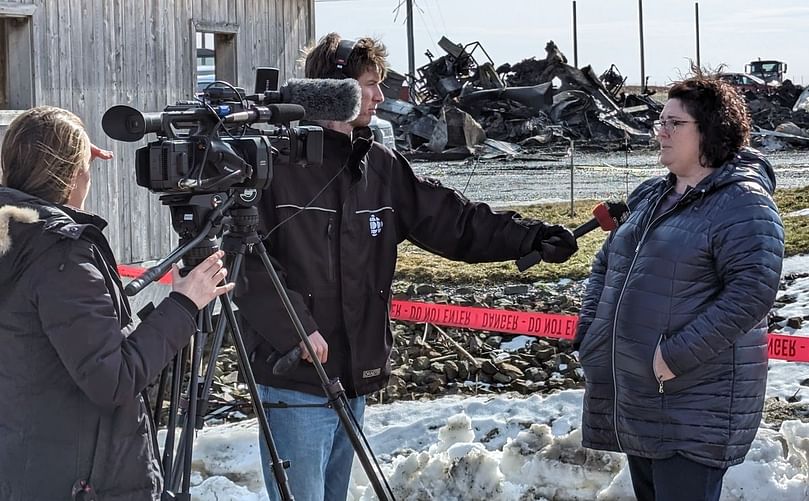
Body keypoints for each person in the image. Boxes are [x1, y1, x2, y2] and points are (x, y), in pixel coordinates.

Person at [234, 32, 579, 500]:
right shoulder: (274, 165)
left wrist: (531, 234)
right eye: (369, 84)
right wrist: (296, 330)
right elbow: (243, 262)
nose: (380, 95)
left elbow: (453, 221)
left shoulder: (378, 163)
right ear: (334, 89)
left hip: (351, 378)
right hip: (294, 378)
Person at [0, 106, 235, 500]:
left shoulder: (14, 238)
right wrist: (183, 305)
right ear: (73, 174)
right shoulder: (61, 255)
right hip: (83, 481)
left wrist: (56, 151)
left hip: (29, 464)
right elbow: (113, 379)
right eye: (83, 167)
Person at [574, 72, 785, 501]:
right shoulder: (653, 194)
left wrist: (672, 356)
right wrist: (590, 331)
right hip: (640, 397)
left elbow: (751, 292)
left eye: (675, 124)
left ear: (710, 129)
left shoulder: (743, 202)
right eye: (660, 122)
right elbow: (605, 263)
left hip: (694, 401)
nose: (661, 133)